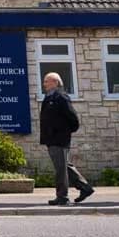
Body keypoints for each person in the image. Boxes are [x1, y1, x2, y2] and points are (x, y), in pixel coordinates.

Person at [40, 72, 94, 206]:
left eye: (47, 81)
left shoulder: (61, 97)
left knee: (61, 169)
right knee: (65, 166)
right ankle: (85, 187)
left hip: (59, 138)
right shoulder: (49, 97)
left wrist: (65, 132)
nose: (44, 84)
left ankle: (62, 196)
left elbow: (73, 119)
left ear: (55, 83)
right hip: (51, 138)